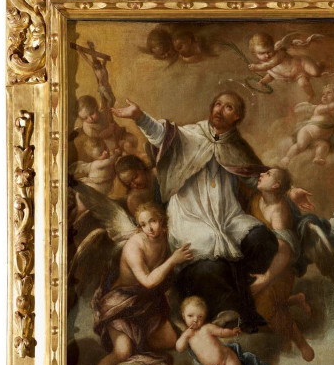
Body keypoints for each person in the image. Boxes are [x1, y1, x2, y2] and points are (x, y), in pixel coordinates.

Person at [111, 91, 281, 332]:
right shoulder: (190, 135)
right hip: (190, 220)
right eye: (218, 104)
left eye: (228, 107)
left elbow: (256, 177)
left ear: (237, 117)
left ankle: (239, 283)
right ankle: (235, 312)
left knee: (263, 240)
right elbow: (160, 134)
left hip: (228, 217)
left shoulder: (236, 146)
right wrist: (139, 117)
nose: (220, 110)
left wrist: (286, 190)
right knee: (208, 266)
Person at [79, 202, 193, 365]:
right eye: (143, 224)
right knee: (122, 352)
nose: (149, 228)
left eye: (153, 221)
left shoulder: (167, 237)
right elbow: (148, 281)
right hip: (121, 304)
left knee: (170, 340)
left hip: (146, 303)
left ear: (161, 220)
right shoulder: (134, 246)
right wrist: (173, 260)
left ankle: (138, 341)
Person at [249, 167, 315, 362]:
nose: (261, 174)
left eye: (268, 174)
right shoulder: (258, 198)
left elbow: (284, 253)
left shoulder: (278, 212)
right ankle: (295, 300)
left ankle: (300, 342)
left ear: (275, 186)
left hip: (279, 271)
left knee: (265, 307)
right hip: (261, 263)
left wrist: (265, 279)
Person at [176, 296, 266, 365]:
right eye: (190, 316)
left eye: (200, 316)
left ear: (204, 316)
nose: (195, 320)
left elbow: (221, 332)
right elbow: (179, 348)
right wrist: (184, 336)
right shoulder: (187, 337)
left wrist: (232, 332)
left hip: (226, 357)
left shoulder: (207, 328)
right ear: (183, 316)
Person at [281, 83, 334, 166]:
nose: (324, 96)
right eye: (323, 94)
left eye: (329, 93)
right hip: (307, 132)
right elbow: (329, 107)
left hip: (319, 138)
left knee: (324, 145)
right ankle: (287, 157)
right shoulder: (320, 108)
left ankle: (318, 158)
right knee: (301, 145)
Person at [248, 32, 322, 100]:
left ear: (272, 47)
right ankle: (311, 95)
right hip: (298, 75)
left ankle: (320, 66)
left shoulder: (279, 54)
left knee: (316, 73)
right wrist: (264, 81)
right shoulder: (264, 62)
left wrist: (256, 67)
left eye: (269, 51)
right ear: (255, 53)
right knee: (303, 84)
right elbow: (272, 74)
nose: (267, 55)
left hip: (302, 64)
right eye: (262, 53)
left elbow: (270, 65)